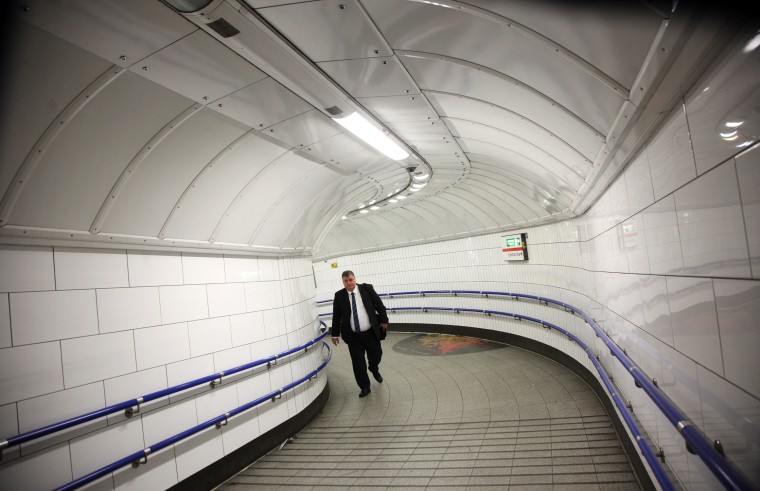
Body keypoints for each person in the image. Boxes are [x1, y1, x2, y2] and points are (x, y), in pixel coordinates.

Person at [331, 270, 389, 397]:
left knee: (376, 355)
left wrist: (384, 320)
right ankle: (365, 387)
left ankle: (373, 368)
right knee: (358, 363)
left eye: (350, 279)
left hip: (370, 332)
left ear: (354, 279)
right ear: (343, 282)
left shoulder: (367, 289)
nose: (349, 283)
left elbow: (379, 304)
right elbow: (336, 316)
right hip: (353, 336)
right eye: (346, 281)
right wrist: (334, 334)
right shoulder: (339, 295)